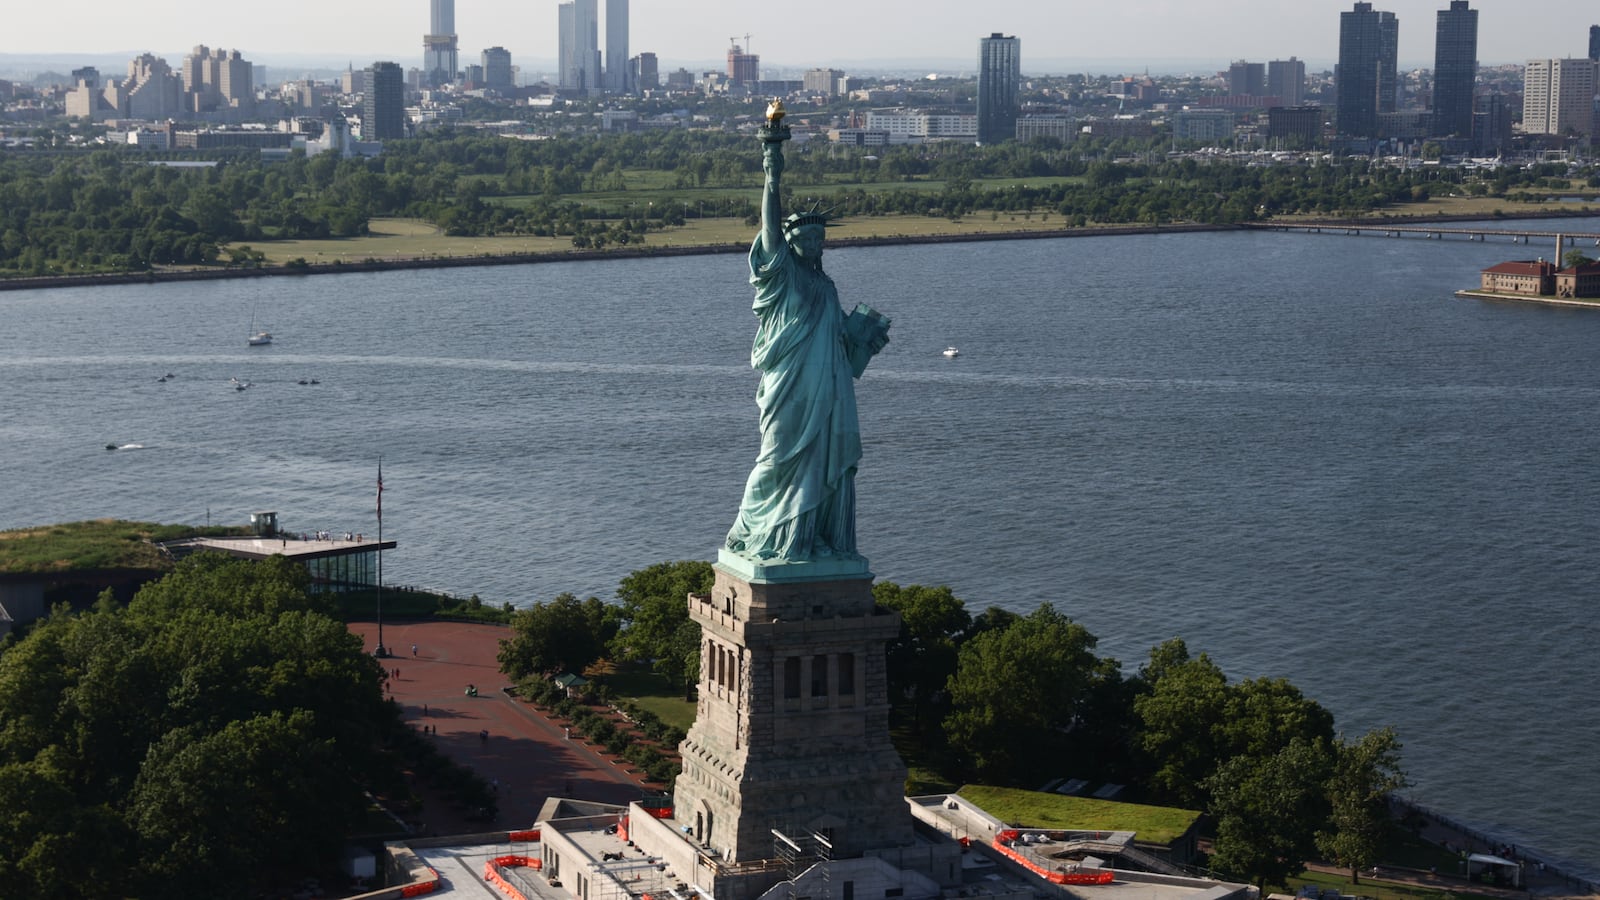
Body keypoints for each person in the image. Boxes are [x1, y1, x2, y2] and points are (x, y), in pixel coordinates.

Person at [724, 106, 888, 562]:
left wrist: (865, 343)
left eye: (820, 239)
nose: (815, 245)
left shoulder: (827, 286)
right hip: (790, 385)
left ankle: (811, 537)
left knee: (823, 462)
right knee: (776, 460)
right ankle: (753, 533)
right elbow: (771, 223)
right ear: (792, 242)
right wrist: (772, 167)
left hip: (830, 386)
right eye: (806, 238)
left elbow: (842, 348)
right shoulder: (783, 276)